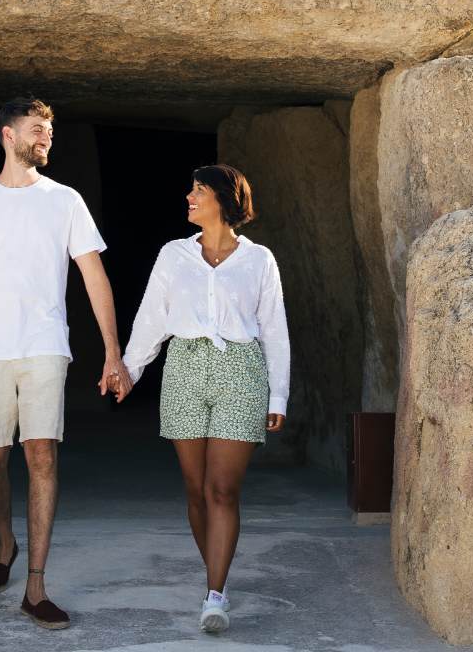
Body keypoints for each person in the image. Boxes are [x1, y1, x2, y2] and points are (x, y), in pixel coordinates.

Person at [0, 97, 131, 631]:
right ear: (8, 137)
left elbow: (94, 278)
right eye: (38, 130)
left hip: (44, 346)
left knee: (41, 455)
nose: (47, 139)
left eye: (51, 132)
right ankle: (5, 542)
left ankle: (36, 586)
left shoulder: (65, 201)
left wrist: (113, 351)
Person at [119, 163, 290, 634]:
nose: (189, 196)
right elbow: (152, 316)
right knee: (195, 491)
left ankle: (215, 594)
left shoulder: (259, 260)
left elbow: (275, 330)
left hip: (241, 371)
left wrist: (279, 394)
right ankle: (216, 574)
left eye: (199, 190)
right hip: (185, 370)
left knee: (222, 489)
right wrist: (130, 369)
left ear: (224, 200)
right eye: (191, 189)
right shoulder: (173, 255)